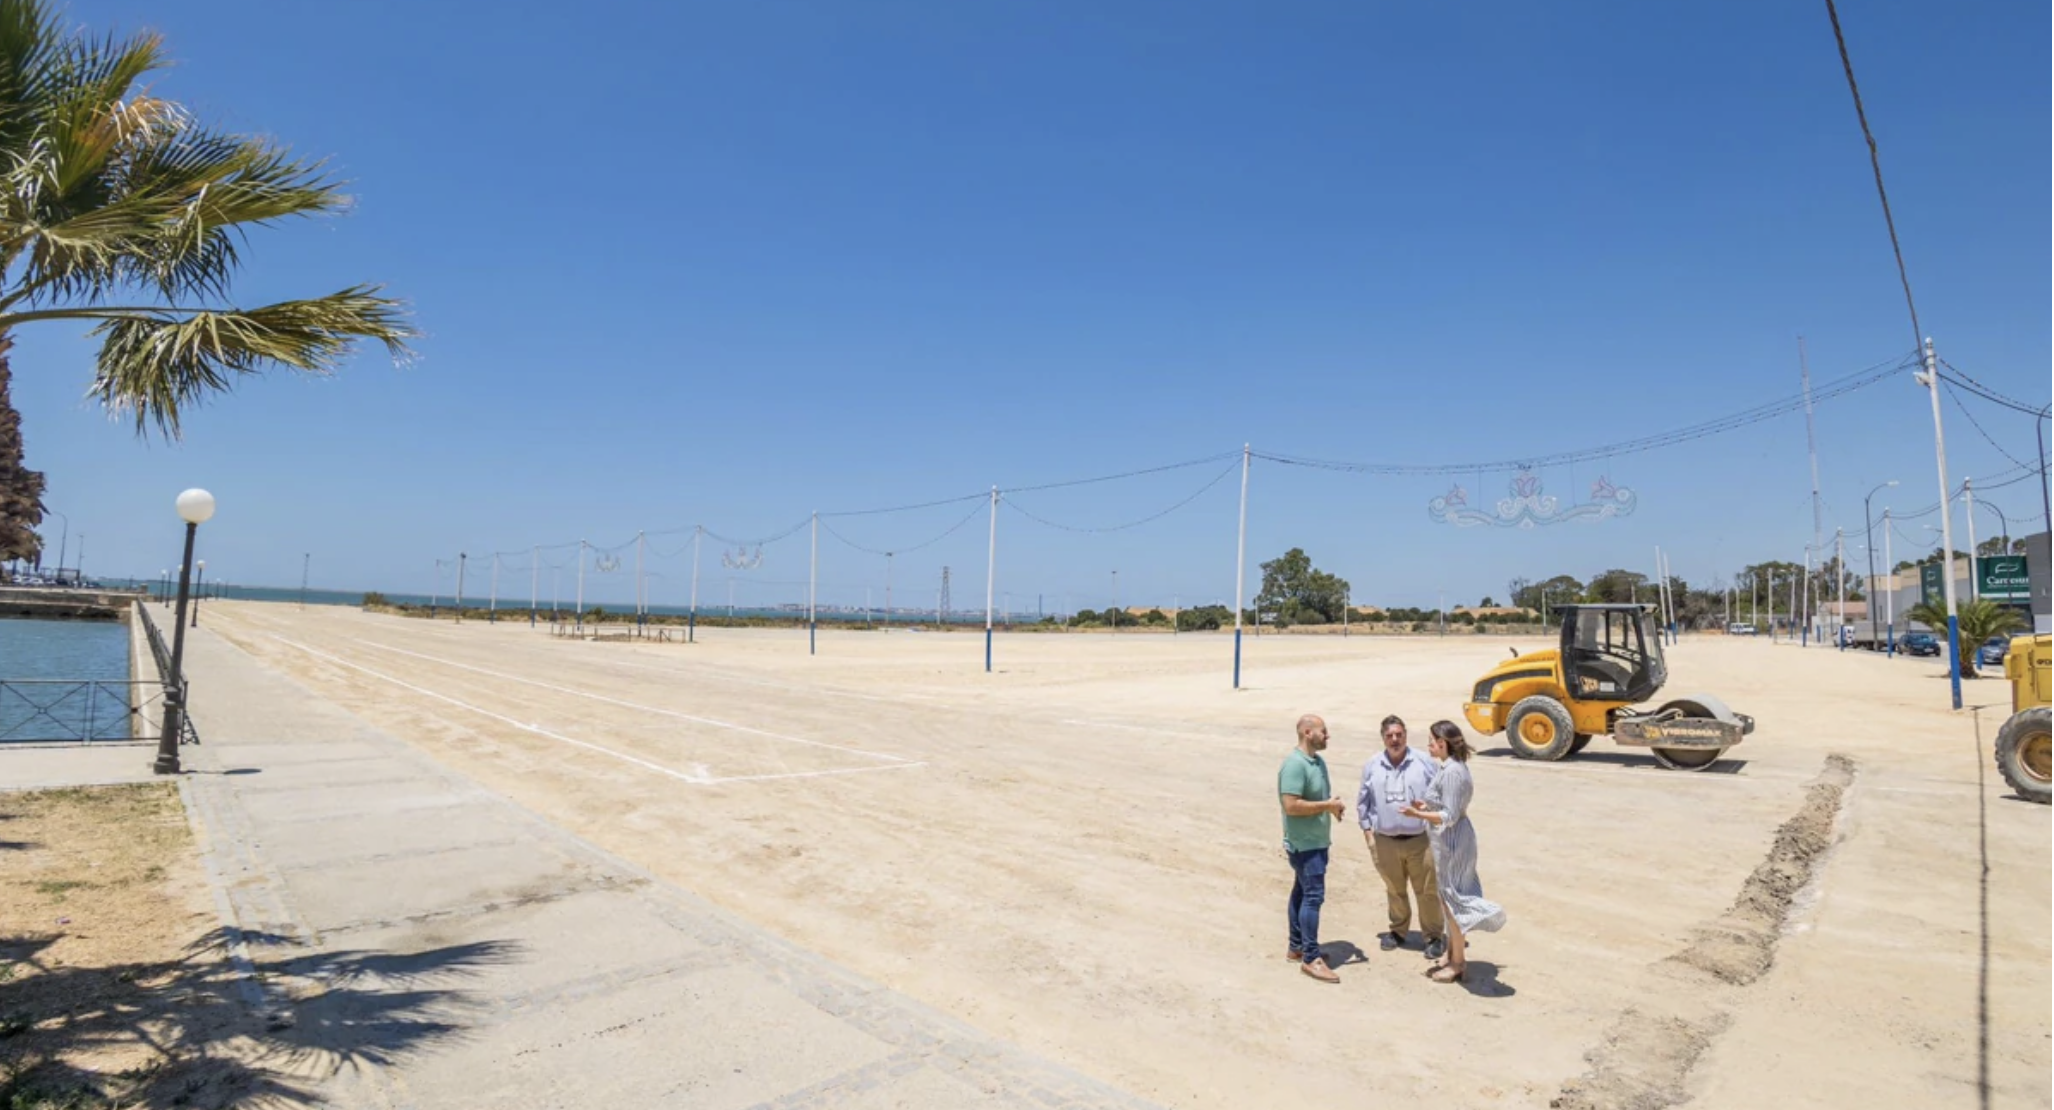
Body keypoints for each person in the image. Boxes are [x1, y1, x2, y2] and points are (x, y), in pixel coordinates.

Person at [1402, 720, 1506, 984]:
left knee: (1453, 901)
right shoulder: (1450, 769)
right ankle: (1451, 953)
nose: (1428, 745)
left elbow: (1448, 815)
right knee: (1447, 898)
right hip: (1449, 841)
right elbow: (1448, 803)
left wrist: (1418, 813)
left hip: (1453, 842)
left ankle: (1458, 962)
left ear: (1442, 743)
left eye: (1431, 740)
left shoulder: (1452, 772)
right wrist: (1426, 804)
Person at [1355, 714, 1445, 960]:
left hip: (1420, 840)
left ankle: (1434, 936)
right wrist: (1369, 835)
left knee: (1427, 890)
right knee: (1394, 889)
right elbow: (1363, 802)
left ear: (1405, 734)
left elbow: (1440, 795)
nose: (1395, 740)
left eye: (1399, 735)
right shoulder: (1372, 765)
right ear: (1383, 738)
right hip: (1385, 841)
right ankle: (1398, 930)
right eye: (1389, 736)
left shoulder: (1424, 762)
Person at [1279, 713, 1348, 983]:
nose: (1327, 735)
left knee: (1302, 891)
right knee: (1313, 897)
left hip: (1316, 841)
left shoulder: (1317, 762)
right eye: (1323, 731)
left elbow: (1317, 799)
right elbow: (1291, 806)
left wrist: (1331, 807)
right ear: (1308, 733)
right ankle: (1310, 958)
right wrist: (1327, 806)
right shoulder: (1294, 765)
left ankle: (1297, 947)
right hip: (1305, 845)